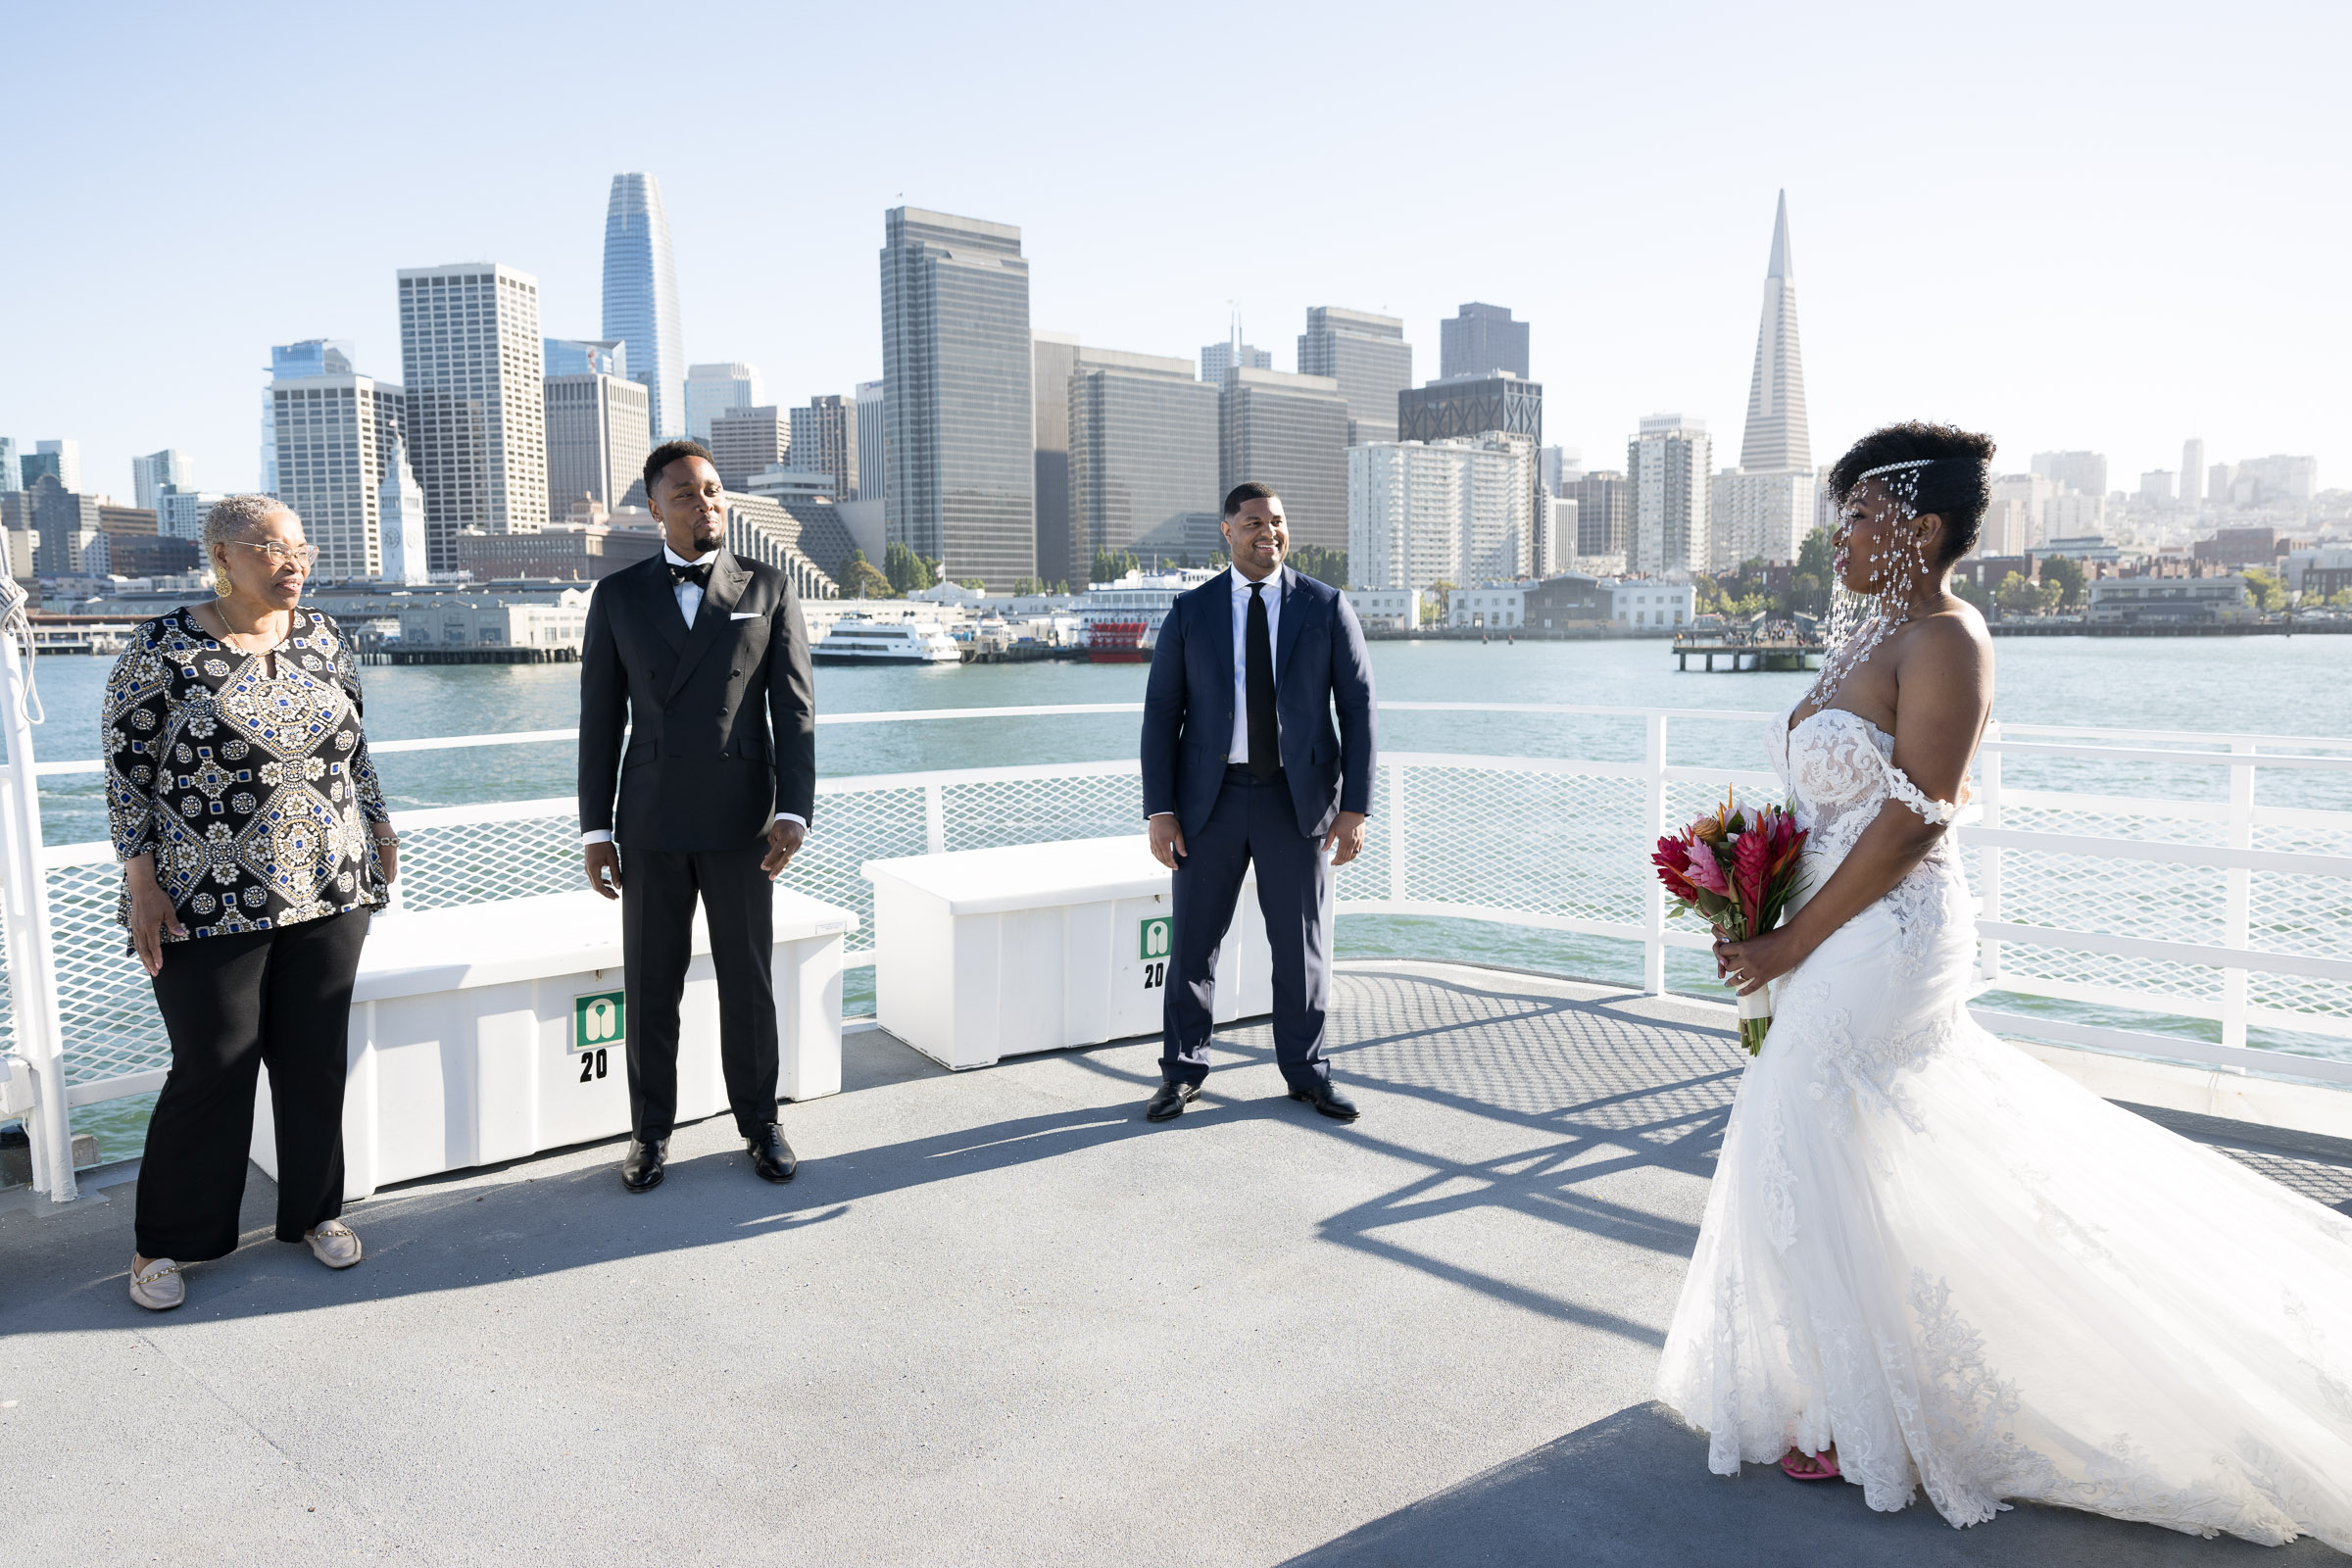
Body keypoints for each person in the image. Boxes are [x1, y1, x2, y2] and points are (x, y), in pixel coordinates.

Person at [1659, 423, 2352, 1546]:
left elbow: (1911, 820)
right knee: (1835, 1144)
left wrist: (1790, 946)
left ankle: (1860, 1410)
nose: (1843, 533)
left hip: (1887, 929)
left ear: (1921, 530)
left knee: (1803, 1124)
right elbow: (1831, 807)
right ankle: (1853, 1386)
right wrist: (1748, 887)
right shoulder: (1868, 630)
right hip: (1822, 923)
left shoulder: (1948, 638)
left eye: (1864, 514)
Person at [106, 495, 395, 1311]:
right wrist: (142, 885)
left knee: (313, 1063)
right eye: (271, 547)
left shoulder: (327, 638)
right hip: (204, 898)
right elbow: (127, 776)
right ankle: (163, 1244)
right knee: (212, 1068)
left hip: (331, 888)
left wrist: (379, 823)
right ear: (223, 556)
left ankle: (315, 1214)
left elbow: (354, 744)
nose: (292, 562)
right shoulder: (160, 646)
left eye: (301, 547)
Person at [577, 439, 816, 1193]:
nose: (705, 502)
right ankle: (649, 1134)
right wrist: (596, 830)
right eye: (685, 493)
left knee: (748, 981)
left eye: (713, 490)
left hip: (744, 818)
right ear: (655, 508)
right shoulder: (617, 597)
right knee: (652, 984)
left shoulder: (769, 585)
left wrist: (795, 811)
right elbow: (597, 722)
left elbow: (797, 712)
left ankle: (761, 1122)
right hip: (647, 818)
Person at [1138, 481, 1376, 1123]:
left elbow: (1356, 710)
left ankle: (1307, 1073)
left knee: (1301, 949)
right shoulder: (1191, 612)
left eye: (1275, 521)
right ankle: (1182, 1074)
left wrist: (1355, 808)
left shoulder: (1326, 607)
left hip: (1295, 804)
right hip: (1206, 805)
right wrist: (1159, 809)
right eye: (1252, 522)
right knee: (1191, 945)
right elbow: (1162, 713)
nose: (1266, 531)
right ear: (1227, 531)